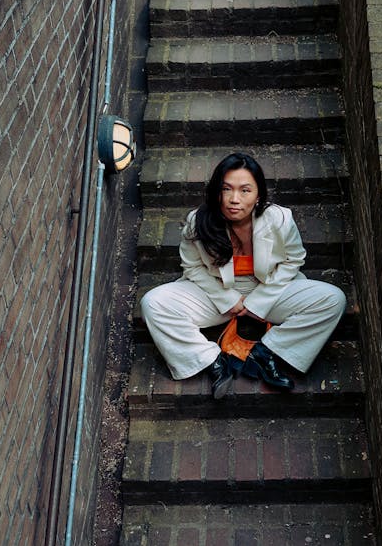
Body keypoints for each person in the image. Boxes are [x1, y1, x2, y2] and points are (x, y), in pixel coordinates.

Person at [141, 153, 347, 399]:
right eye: (226, 189)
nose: (234, 199)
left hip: (269, 288)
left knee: (333, 299)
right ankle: (213, 361)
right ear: (216, 191)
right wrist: (228, 299)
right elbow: (193, 267)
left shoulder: (279, 219)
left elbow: (294, 260)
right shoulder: (199, 222)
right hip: (216, 291)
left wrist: (258, 302)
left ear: (258, 195)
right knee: (153, 303)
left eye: (245, 190)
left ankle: (266, 353)